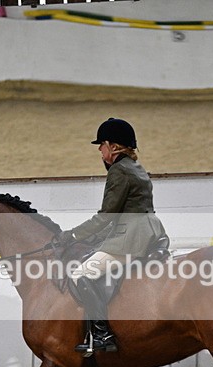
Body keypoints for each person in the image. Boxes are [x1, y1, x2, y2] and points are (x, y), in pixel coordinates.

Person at [55, 118, 167, 353]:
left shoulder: (119, 171)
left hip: (131, 238)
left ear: (114, 146)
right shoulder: (136, 168)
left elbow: (107, 216)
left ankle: (102, 333)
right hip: (151, 231)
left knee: (81, 274)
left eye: (102, 144)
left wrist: (74, 234)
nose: (99, 149)